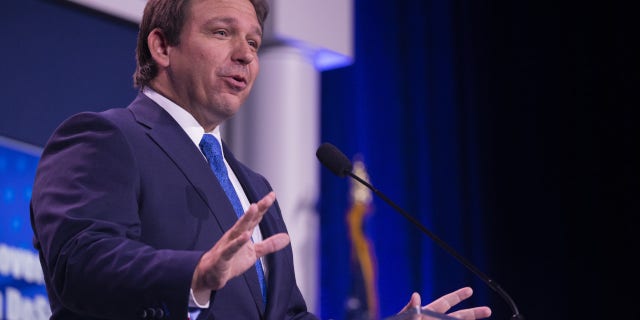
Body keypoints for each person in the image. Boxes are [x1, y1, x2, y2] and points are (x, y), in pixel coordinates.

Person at [29, 0, 493, 319]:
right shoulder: (106, 137)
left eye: (253, 43)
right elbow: (80, 264)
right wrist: (193, 275)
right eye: (222, 32)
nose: (244, 56)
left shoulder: (248, 182)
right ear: (161, 46)